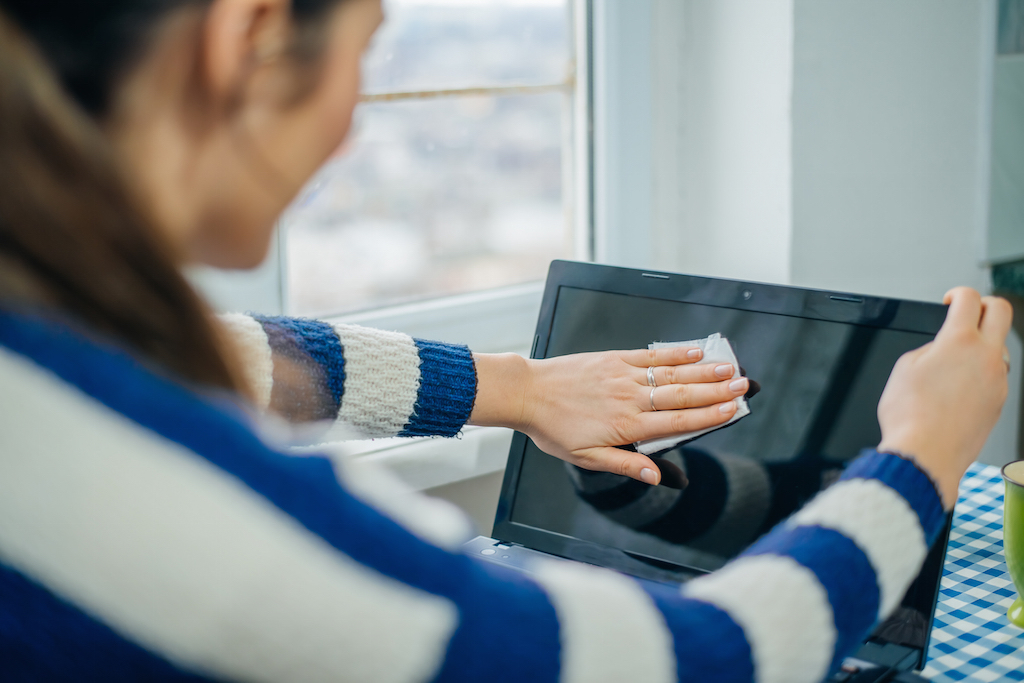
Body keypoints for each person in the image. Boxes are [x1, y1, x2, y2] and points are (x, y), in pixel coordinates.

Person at [0, 0, 1013, 681]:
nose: (354, 118)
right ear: (252, 39)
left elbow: (247, 353)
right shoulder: (194, 510)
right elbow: (713, 652)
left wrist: (518, 385)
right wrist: (921, 453)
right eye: (367, 47)